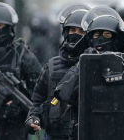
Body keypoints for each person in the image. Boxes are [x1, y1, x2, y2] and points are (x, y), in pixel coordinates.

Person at [53, 5, 124, 140]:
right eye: (96, 35)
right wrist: (85, 64)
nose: (101, 39)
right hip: (90, 131)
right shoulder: (84, 62)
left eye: (107, 35)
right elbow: (63, 94)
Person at [25, 3, 90, 140]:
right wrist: (33, 119)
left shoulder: (96, 66)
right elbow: (37, 102)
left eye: (81, 31)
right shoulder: (52, 67)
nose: (76, 34)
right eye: (72, 30)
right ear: (65, 32)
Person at [0, 2, 41, 140]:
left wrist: (18, 108)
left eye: (0, 26)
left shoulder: (21, 55)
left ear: (10, 28)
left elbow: (40, 91)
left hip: (13, 127)